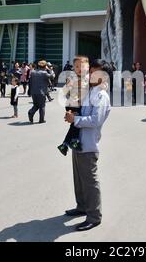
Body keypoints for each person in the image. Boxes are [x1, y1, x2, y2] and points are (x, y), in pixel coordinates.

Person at [64, 59, 111, 232]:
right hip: (78, 140)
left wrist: (75, 119)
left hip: (89, 144)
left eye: (95, 72)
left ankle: (94, 216)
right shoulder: (90, 91)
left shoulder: (101, 96)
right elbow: (79, 107)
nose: (91, 74)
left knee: (89, 181)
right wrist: (72, 112)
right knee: (79, 177)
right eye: (91, 71)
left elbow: (95, 120)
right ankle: (82, 206)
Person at [57, 56, 90, 156]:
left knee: (74, 124)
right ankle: (74, 141)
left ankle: (64, 144)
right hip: (73, 104)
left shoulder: (86, 78)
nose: (80, 69)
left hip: (74, 103)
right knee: (76, 122)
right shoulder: (74, 78)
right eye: (77, 67)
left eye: (83, 66)